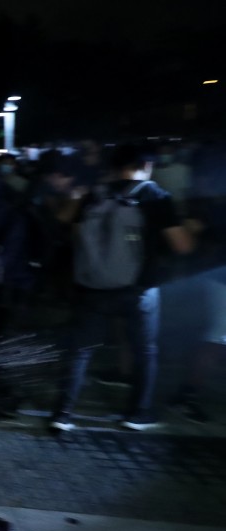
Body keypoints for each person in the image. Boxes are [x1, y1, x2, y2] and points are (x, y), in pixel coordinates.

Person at [49, 144, 193, 432]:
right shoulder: (155, 195)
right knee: (145, 351)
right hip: (138, 289)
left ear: (113, 167)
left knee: (80, 352)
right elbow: (182, 245)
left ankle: (63, 414)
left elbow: (71, 228)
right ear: (146, 165)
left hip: (93, 286)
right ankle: (138, 413)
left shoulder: (96, 193)